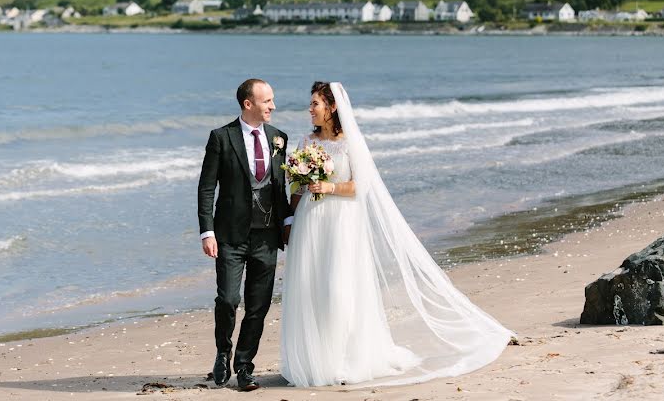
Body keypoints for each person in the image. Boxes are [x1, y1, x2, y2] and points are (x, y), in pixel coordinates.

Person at [280, 82, 513, 388]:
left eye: (315, 104)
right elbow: (296, 187)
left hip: (341, 223)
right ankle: (314, 361)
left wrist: (330, 186)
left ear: (332, 107)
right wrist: (289, 221)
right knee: (312, 290)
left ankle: (342, 361)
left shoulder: (349, 142)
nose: (310, 110)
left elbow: (360, 187)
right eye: (310, 105)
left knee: (338, 289)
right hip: (311, 222)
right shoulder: (305, 141)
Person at [197, 78, 293, 391]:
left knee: (258, 305)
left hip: (267, 236)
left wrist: (289, 225)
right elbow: (207, 187)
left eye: (273, 100)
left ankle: (245, 366)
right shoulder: (221, 138)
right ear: (248, 104)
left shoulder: (279, 138)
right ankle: (223, 352)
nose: (273, 106)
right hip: (230, 236)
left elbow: (281, 188)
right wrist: (206, 231)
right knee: (227, 299)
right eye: (267, 101)